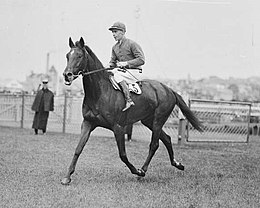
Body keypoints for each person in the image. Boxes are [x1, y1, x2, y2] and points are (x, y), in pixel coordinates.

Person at [108, 21, 145, 111]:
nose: (113, 34)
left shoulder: (132, 44)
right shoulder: (114, 47)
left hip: (134, 72)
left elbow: (141, 60)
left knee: (117, 75)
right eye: (112, 32)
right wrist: (108, 66)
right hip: (123, 72)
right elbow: (112, 62)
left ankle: (129, 100)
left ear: (123, 32)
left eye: (115, 32)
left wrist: (126, 63)